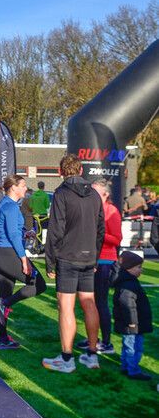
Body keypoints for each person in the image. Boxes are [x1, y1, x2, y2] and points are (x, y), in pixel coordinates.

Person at [42, 154, 104, 373]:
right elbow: (100, 230)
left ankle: (67, 359)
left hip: (68, 257)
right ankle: (92, 354)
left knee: (66, 307)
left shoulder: (62, 193)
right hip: (88, 258)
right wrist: (94, 257)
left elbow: (55, 230)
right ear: (80, 171)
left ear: (61, 172)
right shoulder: (95, 195)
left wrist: (49, 262)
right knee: (89, 303)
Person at [0, 175, 47, 349]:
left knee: (4, 294)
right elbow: (12, 235)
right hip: (9, 254)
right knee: (39, 285)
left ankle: (3, 339)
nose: (26, 189)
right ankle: (5, 304)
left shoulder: (2, 205)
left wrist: (24, 233)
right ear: (14, 188)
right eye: (23, 186)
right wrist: (24, 260)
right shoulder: (12, 208)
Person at [76, 178, 121, 354]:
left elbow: (117, 239)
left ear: (105, 195)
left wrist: (97, 232)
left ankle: (107, 343)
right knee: (89, 303)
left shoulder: (111, 211)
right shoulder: (91, 210)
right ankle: (93, 338)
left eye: (95, 192)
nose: (91, 195)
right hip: (88, 260)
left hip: (104, 261)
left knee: (100, 302)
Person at [112, 251, 153, 381]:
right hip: (133, 324)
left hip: (133, 323)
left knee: (128, 346)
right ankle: (133, 370)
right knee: (134, 347)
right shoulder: (128, 284)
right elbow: (127, 305)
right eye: (139, 267)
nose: (141, 270)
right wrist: (132, 322)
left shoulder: (130, 281)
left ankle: (126, 366)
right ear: (129, 268)